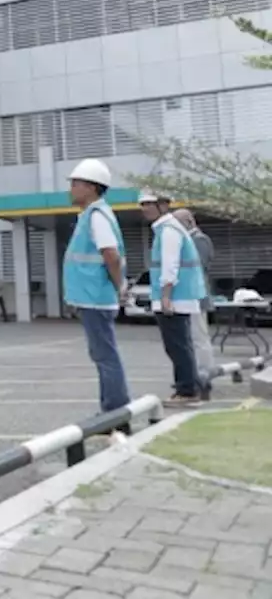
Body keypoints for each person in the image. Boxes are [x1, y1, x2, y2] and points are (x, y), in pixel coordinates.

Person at [63, 159, 132, 416]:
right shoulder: (91, 215)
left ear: (91, 187)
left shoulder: (97, 216)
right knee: (103, 355)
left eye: (75, 183)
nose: (71, 189)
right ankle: (111, 409)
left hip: (96, 298)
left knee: (105, 356)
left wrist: (120, 286)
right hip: (93, 297)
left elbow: (111, 255)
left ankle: (115, 411)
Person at [138, 193, 206, 407]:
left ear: (163, 205)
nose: (144, 208)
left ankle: (187, 391)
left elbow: (170, 265)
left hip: (174, 298)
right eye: (142, 204)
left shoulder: (168, 231)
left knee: (177, 346)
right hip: (178, 297)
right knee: (181, 345)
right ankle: (190, 387)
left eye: (149, 203)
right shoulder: (168, 229)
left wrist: (166, 297)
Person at [173, 209, 215, 401]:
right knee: (189, 338)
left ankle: (204, 375)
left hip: (196, 296)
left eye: (178, 222)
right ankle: (193, 374)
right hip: (187, 296)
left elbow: (199, 266)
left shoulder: (200, 240)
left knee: (199, 337)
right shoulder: (186, 239)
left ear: (189, 221)